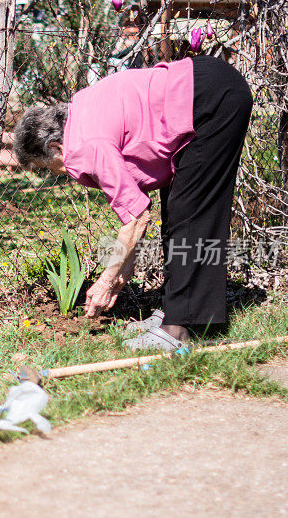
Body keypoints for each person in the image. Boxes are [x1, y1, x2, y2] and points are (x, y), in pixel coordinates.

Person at [13, 56, 253, 352]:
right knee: (178, 214)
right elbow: (139, 209)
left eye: (48, 166)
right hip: (203, 89)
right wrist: (124, 269)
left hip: (210, 100)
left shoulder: (87, 144)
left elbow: (136, 217)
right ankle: (174, 312)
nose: (54, 173)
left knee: (192, 216)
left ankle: (176, 331)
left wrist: (104, 281)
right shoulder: (81, 113)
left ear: (55, 147)